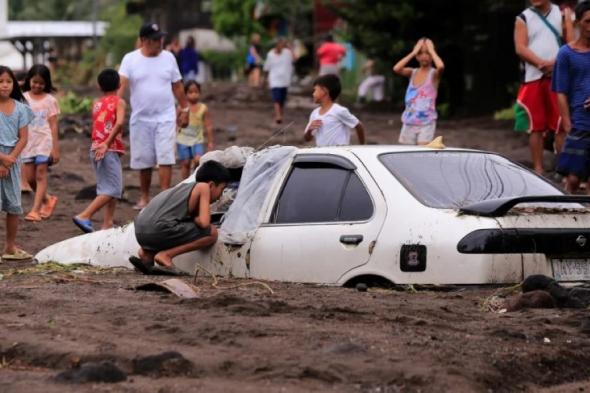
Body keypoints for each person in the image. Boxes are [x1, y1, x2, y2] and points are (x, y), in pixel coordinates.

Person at [118, 22, 190, 210]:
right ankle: (145, 197)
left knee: (166, 156)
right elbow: (122, 84)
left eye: (160, 38)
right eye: (155, 39)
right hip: (140, 118)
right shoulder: (130, 59)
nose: (159, 42)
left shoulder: (168, 58)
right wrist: (113, 106)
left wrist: (185, 108)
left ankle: (164, 196)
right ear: (143, 41)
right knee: (144, 160)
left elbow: (177, 85)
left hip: (165, 115)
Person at [129, 160, 231, 274]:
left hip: (140, 231)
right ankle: (166, 256)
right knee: (212, 232)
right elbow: (204, 223)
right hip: (158, 229)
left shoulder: (182, 188)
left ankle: (146, 255)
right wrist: (197, 219)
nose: (220, 197)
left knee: (172, 227)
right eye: (221, 190)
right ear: (211, 185)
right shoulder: (203, 187)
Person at [514, 0, 574, 174]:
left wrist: (555, 64)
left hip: (559, 76)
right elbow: (520, 47)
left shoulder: (562, 13)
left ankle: (562, 169)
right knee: (535, 125)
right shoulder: (523, 18)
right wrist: (541, 64)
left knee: (561, 124)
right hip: (533, 77)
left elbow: (570, 43)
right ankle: (538, 169)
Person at [73, 69, 127, 233]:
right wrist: (107, 143)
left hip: (97, 148)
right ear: (119, 84)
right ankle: (84, 215)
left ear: (99, 85)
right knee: (113, 189)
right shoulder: (119, 102)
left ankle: (108, 223)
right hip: (106, 148)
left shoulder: (96, 103)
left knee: (108, 186)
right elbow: (119, 123)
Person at [553, 1, 590, 192]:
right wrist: (567, 123)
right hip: (580, 122)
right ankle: (568, 213)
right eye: (587, 22)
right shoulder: (566, 54)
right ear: (578, 23)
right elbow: (561, 91)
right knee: (573, 178)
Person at [0, 65, 34, 260]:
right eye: (1, 81)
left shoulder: (21, 109)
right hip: (4, 158)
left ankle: (10, 247)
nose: (5, 85)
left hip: (13, 160)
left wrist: (8, 161)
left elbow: (23, 138)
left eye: (8, 81)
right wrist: (2, 160)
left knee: (13, 205)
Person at [21, 64, 60, 221]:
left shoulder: (50, 100)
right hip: (28, 144)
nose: (37, 85)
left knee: (40, 175)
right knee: (30, 178)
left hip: (45, 142)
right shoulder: (22, 99)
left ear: (47, 83)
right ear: (29, 80)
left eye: (41, 83)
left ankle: (35, 210)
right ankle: (48, 199)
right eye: (34, 81)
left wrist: (55, 148)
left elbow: (53, 125)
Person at [393, 38, 445, 145]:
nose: (424, 56)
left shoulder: (433, 74)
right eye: (420, 53)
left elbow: (441, 66)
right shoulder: (412, 72)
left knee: (421, 153)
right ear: (417, 56)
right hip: (409, 121)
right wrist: (413, 52)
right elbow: (396, 68)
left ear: (432, 55)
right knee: (406, 154)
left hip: (427, 123)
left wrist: (432, 50)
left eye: (427, 53)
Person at [304, 74, 366, 146]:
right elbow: (307, 139)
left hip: (339, 155)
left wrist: (362, 146)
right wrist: (309, 130)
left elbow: (358, 125)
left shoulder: (339, 111)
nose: (313, 93)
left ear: (324, 91)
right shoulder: (314, 113)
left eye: (315, 90)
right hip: (322, 155)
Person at [176, 81, 214, 180]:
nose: (194, 95)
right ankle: (184, 183)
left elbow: (208, 125)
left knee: (198, 160)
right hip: (182, 140)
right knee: (185, 163)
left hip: (197, 140)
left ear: (200, 93)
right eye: (190, 92)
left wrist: (210, 142)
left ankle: (195, 179)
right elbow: (176, 123)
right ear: (185, 94)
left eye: (196, 92)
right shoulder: (181, 107)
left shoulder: (203, 108)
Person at [263, 37, 294, 124]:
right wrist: (264, 79)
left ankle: (280, 114)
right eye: (279, 44)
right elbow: (266, 68)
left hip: (285, 80)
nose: (281, 46)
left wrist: (290, 48)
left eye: (282, 45)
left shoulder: (287, 53)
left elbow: (295, 59)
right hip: (274, 80)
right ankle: (278, 116)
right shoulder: (270, 54)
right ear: (275, 46)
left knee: (282, 100)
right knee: (276, 99)